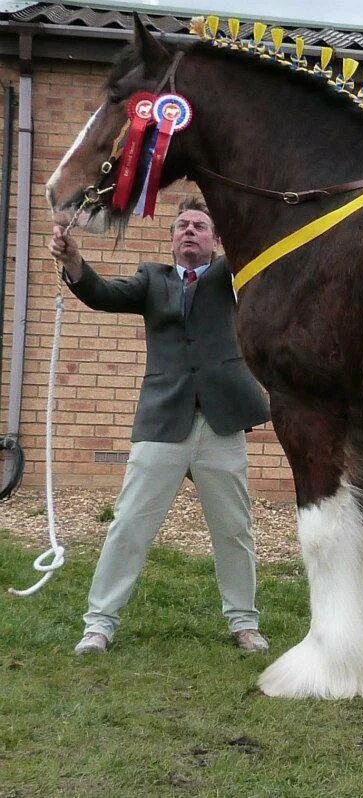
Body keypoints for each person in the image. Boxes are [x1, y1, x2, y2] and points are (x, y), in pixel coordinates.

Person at [49, 197, 272, 655]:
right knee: (128, 525)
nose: (190, 231)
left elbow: (263, 255)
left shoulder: (234, 278)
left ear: (216, 239)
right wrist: (74, 261)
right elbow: (103, 294)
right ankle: (99, 625)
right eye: (182, 225)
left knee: (234, 530)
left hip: (220, 423)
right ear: (171, 239)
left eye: (201, 226)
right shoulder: (152, 279)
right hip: (162, 422)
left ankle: (244, 623)